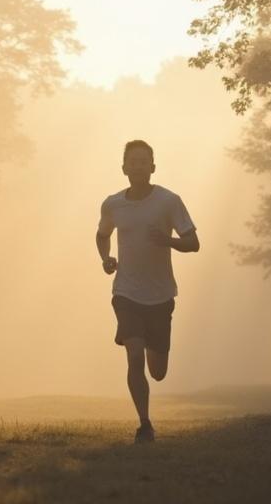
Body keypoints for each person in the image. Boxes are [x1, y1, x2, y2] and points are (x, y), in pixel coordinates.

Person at [95, 140, 199, 444]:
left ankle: (156, 366)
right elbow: (102, 235)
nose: (138, 167)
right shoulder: (113, 204)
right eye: (133, 162)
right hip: (126, 293)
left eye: (144, 162)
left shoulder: (168, 201)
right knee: (134, 356)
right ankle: (144, 424)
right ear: (124, 168)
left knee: (158, 371)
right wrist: (106, 259)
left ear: (153, 168)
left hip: (161, 295)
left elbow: (193, 243)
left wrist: (167, 241)